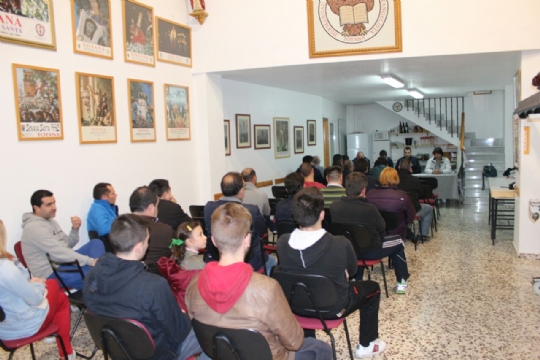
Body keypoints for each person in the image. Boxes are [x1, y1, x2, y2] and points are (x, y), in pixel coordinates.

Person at [186, 203, 332, 360]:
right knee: (321, 348)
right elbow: (294, 342)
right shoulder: (267, 288)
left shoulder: (193, 285)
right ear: (247, 239)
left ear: (213, 241)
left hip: (219, 355)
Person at [277, 188, 385, 358]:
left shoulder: (282, 242)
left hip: (296, 306)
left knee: (304, 283)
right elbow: (353, 271)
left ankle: (308, 341)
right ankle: (367, 344)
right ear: (322, 214)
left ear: (295, 215)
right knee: (374, 288)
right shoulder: (340, 243)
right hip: (334, 307)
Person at [83, 214, 209, 360]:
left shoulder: (91, 277)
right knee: (210, 328)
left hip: (117, 349)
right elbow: (180, 333)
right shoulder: (153, 285)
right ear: (139, 247)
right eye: (147, 240)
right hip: (160, 353)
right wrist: (182, 314)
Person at [0, 220, 75, 360]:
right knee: (54, 286)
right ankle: (66, 352)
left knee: (58, 296)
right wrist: (36, 284)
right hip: (20, 327)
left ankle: (67, 353)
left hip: (4, 330)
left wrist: (28, 283)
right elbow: (35, 299)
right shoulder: (5, 268)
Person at [329, 173, 410, 293]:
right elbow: (382, 227)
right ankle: (401, 284)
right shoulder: (370, 209)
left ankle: (356, 280)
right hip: (371, 251)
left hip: (347, 252)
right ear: (363, 190)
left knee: (355, 240)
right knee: (398, 241)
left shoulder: (334, 207)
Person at [21, 190, 105, 290]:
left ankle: (94, 281)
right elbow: (59, 253)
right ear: (36, 208)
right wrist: (91, 261)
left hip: (62, 262)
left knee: (96, 243)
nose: (54, 207)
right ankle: (95, 282)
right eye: (49, 205)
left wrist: (75, 229)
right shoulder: (35, 228)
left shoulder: (51, 221)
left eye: (54, 203)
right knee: (99, 272)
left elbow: (67, 245)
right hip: (51, 273)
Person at [204, 172, 275, 274]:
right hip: (250, 261)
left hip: (216, 257)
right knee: (273, 262)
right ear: (241, 191)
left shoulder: (208, 207)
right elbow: (262, 230)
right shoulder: (252, 210)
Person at [129, 186, 175, 275]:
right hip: (157, 278)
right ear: (150, 207)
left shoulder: (120, 227)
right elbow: (178, 244)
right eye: (157, 206)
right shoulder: (165, 230)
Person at [366, 168, 417, 241]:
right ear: (396, 178)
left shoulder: (369, 194)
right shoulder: (402, 195)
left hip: (376, 235)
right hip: (397, 235)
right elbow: (411, 217)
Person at [397, 159, 434, 241]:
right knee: (429, 209)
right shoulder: (415, 180)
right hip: (413, 210)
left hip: (397, 211)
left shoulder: (394, 180)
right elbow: (421, 195)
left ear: (399, 168)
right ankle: (423, 234)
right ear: (410, 168)